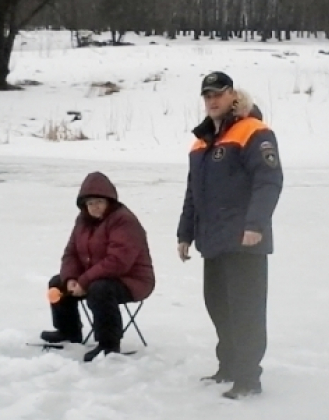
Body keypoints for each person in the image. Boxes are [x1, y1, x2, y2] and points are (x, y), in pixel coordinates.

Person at [177, 71, 283, 399]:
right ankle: (229, 367)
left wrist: (255, 226)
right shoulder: (201, 142)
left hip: (245, 243)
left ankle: (249, 378)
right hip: (214, 241)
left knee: (246, 310)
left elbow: (269, 182)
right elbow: (193, 193)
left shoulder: (254, 131)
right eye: (207, 95)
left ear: (232, 95)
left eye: (218, 94)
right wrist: (185, 233)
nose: (212, 100)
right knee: (218, 306)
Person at [41, 172, 155, 362]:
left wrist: (84, 281)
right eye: (90, 202)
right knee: (57, 283)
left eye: (99, 202)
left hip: (132, 280)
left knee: (100, 289)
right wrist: (70, 279)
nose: (94, 207)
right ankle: (68, 331)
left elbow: (118, 262)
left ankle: (109, 344)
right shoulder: (82, 221)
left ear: (109, 201)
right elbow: (71, 253)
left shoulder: (124, 221)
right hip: (98, 276)